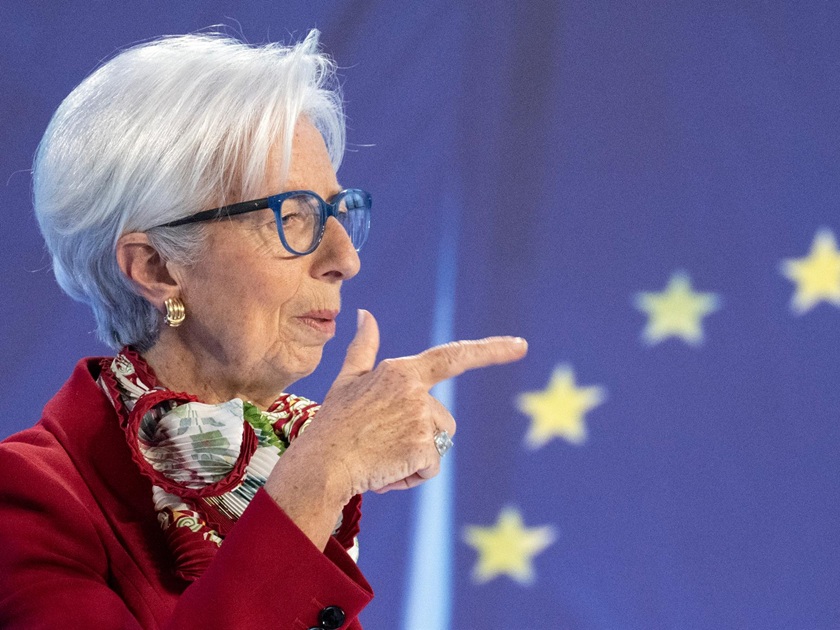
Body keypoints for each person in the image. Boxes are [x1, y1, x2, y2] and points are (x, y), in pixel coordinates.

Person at [0, 30, 527, 629]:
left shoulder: (282, 457)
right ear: (156, 268)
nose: (345, 258)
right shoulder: (26, 500)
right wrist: (323, 471)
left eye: (336, 211)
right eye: (292, 216)